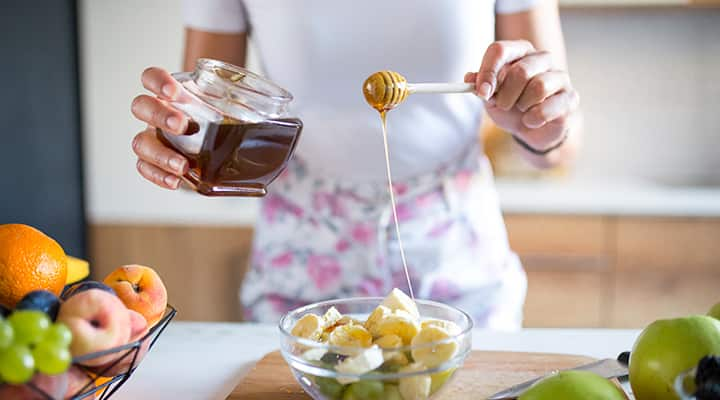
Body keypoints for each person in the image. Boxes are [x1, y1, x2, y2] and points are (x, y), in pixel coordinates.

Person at [130, 0, 581, 330]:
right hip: (300, 264)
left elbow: (562, 146)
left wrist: (543, 125)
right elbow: (203, 116)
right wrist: (179, 146)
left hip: (458, 263)